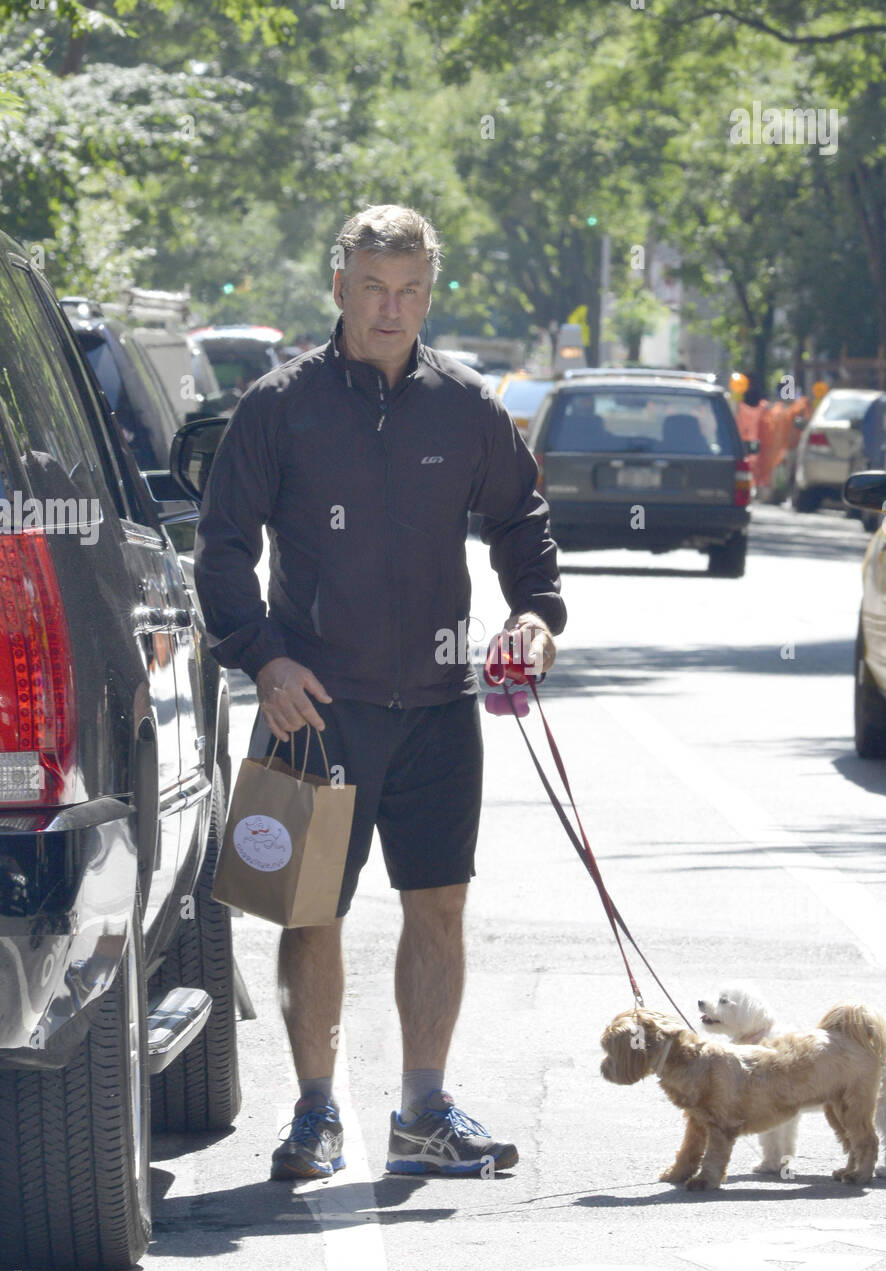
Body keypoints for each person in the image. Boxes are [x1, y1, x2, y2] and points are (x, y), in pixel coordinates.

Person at [193, 204, 566, 1181]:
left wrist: (535, 615)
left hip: (440, 707)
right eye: (371, 287)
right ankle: (313, 1112)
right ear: (339, 288)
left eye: (408, 290)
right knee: (308, 911)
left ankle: (422, 1109)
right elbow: (221, 548)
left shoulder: (467, 405)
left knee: (437, 907)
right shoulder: (279, 406)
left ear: (428, 293)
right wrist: (262, 657)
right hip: (312, 708)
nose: (389, 308)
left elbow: (520, 520)